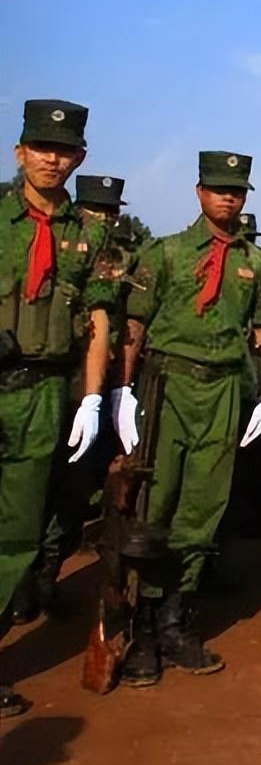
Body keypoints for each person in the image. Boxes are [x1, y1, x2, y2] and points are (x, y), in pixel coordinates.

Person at [113, 150, 261, 685]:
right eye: (219, 187)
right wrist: (121, 393)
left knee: (204, 507)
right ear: (200, 191)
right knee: (153, 503)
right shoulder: (165, 254)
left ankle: (175, 617)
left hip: (225, 387)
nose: (229, 196)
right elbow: (135, 326)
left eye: (238, 189)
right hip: (167, 385)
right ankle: (140, 629)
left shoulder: (256, 262)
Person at [1, 101, 116, 718]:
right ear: (19, 151)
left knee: (16, 532)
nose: (52, 157)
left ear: (80, 158)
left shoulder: (91, 234)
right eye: (41, 146)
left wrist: (94, 398)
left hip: (44, 391)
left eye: (64, 149)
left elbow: (98, 318)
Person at [23, 174, 132, 621]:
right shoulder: (60, 246)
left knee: (71, 494)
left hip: (91, 396)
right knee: (28, 493)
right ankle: (22, 581)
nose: (102, 218)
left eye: (109, 211)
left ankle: (45, 577)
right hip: (47, 389)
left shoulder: (122, 261)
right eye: (94, 210)